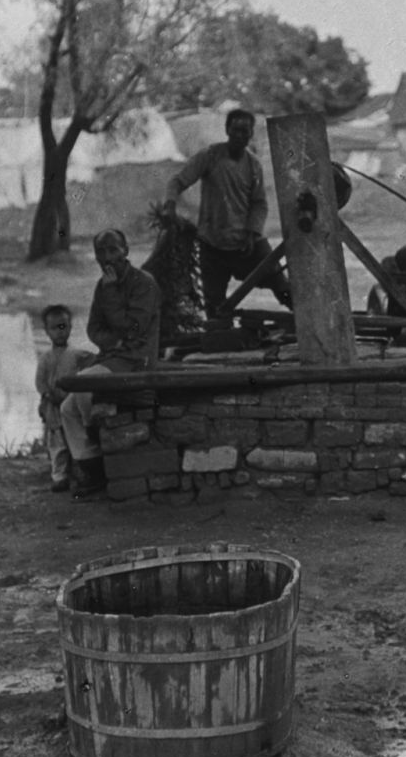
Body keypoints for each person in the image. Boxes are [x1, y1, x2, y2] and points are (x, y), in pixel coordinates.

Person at [161, 108, 291, 323]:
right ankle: (224, 342)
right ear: (227, 130)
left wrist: (252, 232)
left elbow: (259, 204)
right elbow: (177, 181)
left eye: (245, 131)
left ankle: (307, 321)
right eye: (236, 130)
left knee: (281, 285)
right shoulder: (209, 156)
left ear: (251, 134)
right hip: (212, 246)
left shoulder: (254, 165)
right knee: (215, 309)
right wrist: (169, 205)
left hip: (245, 244)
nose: (240, 136)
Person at [58, 230, 160, 498]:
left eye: (113, 250)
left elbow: (134, 329)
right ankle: (92, 468)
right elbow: (93, 329)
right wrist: (113, 343)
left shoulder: (143, 283)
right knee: (67, 407)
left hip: (138, 359)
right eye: (100, 252)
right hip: (115, 356)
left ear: (126, 250)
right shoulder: (103, 286)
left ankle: (101, 465)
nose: (107, 258)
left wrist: (113, 294)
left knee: (83, 387)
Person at [33, 304, 84, 494]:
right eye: (55, 328)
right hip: (53, 406)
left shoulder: (77, 355)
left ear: (70, 327)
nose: (60, 332)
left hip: (70, 405)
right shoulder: (45, 359)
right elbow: (40, 382)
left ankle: (77, 473)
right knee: (57, 443)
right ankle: (59, 476)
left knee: (74, 438)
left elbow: (84, 372)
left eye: (64, 327)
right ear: (47, 332)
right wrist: (47, 395)